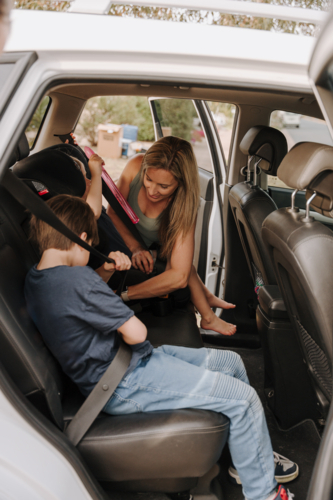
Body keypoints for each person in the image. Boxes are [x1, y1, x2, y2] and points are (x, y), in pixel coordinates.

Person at [25, 194, 297, 500]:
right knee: (244, 398)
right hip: (126, 381)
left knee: (231, 362)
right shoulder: (76, 280)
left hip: (124, 367)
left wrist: (106, 272)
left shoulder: (38, 278)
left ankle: (245, 457)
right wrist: (108, 301)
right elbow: (137, 332)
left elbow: (80, 303)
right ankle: (264, 494)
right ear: (83, 239)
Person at [107, 136, 237, 336]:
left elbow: (179, 276)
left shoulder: (184, 204)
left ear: (180, 182)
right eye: (148, 179)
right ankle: (207, 300)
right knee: (185, 267)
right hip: (124, 241)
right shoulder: (135, 165)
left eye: (164, 187)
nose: (152, 190)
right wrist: (135, 247)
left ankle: (208, 314)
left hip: (156, 247)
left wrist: (122, 295)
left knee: (183, 266)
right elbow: (113, 212)